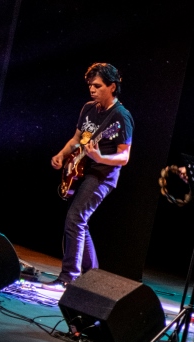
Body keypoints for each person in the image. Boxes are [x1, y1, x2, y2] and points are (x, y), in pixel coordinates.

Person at [46, 63, 134, 291]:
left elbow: (124, 156)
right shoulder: (88, 108)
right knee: (79, 221)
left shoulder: (121, 116)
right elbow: (76, 139)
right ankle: (91, 278)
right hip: (82, 169)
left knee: (75, 218)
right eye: (90, 86)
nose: (92, 90)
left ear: (112, 86)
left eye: (97, 86)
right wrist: (61, 155)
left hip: (102, 175)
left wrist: (100, 156)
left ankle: (69, 277)